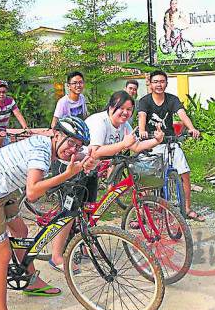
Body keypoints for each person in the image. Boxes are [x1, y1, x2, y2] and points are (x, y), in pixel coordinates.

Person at [0, 117, 95, 310]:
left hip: (1, 189)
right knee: (3, 253)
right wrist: (66, 175)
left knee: (21, 231)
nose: (73, 150)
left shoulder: (50, 145)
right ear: (56, 134)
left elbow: (74, 155)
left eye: (78, 146)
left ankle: (31, 281)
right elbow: (33, 192)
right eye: (71, 143)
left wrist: (86, 158)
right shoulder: (41, 153)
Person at [48, 91, 163, 271]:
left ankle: (85, 245)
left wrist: (156, 141)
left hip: (90, 168)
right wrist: (122, 145)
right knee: (69, 211)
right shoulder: (99, 122)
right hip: (71, 165)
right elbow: (94, 151)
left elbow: (135, 147)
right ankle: (56, 256)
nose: (125, 113)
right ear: (111, 108)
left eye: (129, 110)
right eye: (121, 109)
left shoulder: (124, 125)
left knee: (89, 208)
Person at [137, 70, 203, 221]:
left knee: (184, 173)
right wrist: (142, 131)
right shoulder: (144, 101)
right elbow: (142, 116)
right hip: (151, 143)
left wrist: (191, 128)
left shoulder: (172, 99)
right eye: (156, 82)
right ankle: (141, 213)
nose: (159, 84)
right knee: (144, 177)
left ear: (166, 83)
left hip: (170, 142)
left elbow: (182, 114)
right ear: (151, 84)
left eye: (162, 81)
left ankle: (186, 208)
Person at [0, 80, 31, 155]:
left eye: (3, 92)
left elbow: (18, 114)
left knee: (8, 148)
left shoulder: (10, 101)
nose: (1, 94)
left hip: (2, 130)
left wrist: (25, 128)